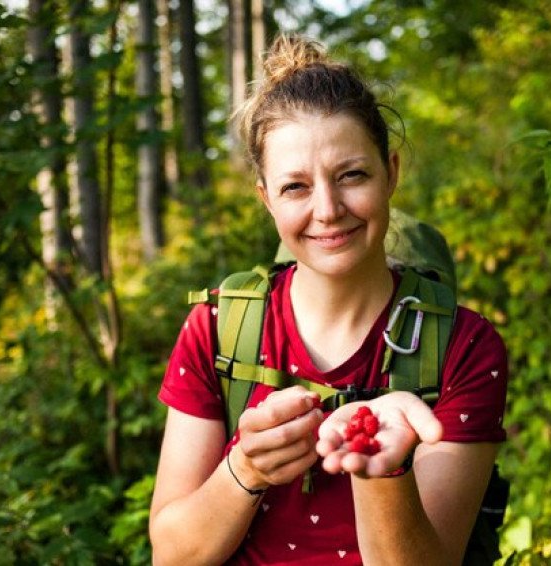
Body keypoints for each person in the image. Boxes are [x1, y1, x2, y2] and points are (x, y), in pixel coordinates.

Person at [149, 34, 508, 565]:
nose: (328, 209)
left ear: (391, 173)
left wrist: (382, 470)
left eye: (352, 175)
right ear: (265, 198)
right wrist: (246, 467)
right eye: (295, 187)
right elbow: (172, 557)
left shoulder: (464, 346)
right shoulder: (217, 327)